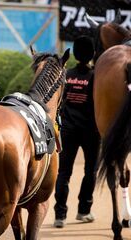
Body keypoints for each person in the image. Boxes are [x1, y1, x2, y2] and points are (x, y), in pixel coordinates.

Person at [53, 36, 100, 228]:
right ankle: (83, 211)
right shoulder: (96, 76)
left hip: (68, 130)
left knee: (63, 173)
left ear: (74, 53)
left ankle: (59, 216)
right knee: (91, 170)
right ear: (92, 54)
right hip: (91, 131)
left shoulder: (66, 75)